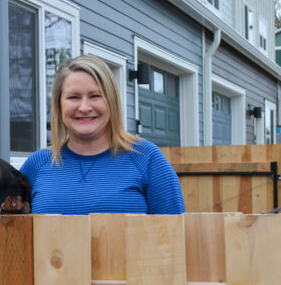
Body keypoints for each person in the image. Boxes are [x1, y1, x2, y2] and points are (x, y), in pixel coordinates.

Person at [20, 54, 185, 215]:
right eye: (73, 97)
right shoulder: (36, 164)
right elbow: (12, 234)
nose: (84, 107)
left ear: (111, 102)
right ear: (59, 105)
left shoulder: (147, 158)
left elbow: (175, 236)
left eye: (95, 96)